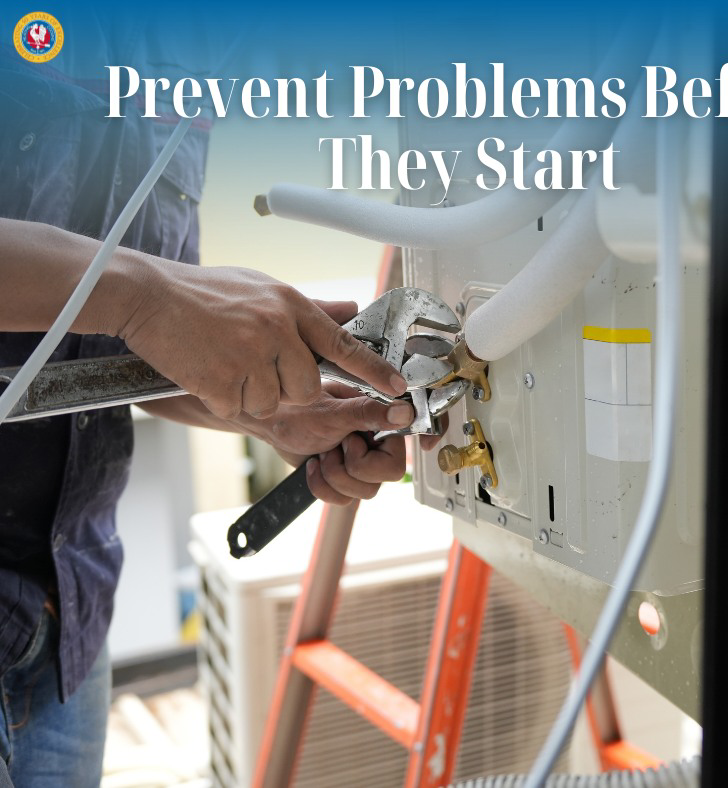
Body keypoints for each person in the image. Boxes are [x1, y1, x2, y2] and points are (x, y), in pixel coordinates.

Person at [0, 11, 423, 786]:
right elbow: (136, 305)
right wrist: (146, 294)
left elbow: (121, 352)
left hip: (68, 625)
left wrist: (271, 414)